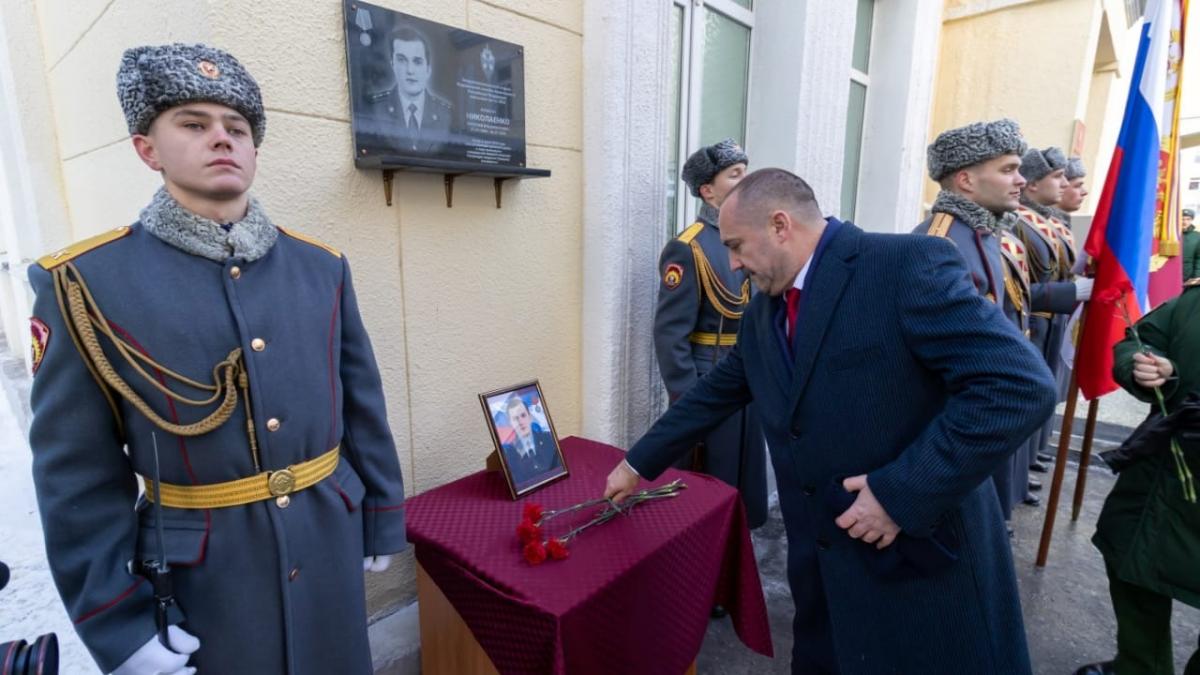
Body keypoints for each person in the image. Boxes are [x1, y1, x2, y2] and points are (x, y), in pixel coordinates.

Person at [26, 44, 406, 675]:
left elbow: (362, 403)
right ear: (147, 148)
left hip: (327, 539)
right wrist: (117, 625)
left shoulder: (321, 267)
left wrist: (382, 514)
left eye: (237, 128)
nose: (221, 140)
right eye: (194, 124)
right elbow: (76, 477)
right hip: (204, 574)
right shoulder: (86, 282)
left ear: (255, 149)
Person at [606, 168, 1056, 674]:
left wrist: (899, 492)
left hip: (917, 569)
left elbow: (1019, 386)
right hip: (824, 579)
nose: (731, 264)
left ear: (780, 226)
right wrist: (636, 464)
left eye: (735, 245)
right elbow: (713, 393)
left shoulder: (901, 265)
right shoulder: (764, 310)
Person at [1074, 285, 1200, 675]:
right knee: (1131, 561)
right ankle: (1139, 666)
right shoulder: (1194, 301)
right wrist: (1150, 366)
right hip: (1160, 471)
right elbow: (1140, 340)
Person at [916, 118, 1037, 521]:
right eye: (1008, 169)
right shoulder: (939, 242)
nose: (1021, 180)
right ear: (965, 180)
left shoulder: (981, 233)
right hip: (955, 429)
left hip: (983, 415)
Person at [653, 139, 767, 530]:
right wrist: (689, 404)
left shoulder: (753, 238)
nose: (745, 181)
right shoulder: (689, 248)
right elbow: (670, 335)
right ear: (707, 190)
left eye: (746, 172)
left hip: (746, 374)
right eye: (735, 175)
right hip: (708, 378)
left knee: (744, 483)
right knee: (708, 491)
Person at [1016, 146, 1092, 491]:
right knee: (1025, 403)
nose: (1065, 186)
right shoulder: (1018, 222)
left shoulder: (1046, 221)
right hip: (1032, 323)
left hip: (1050, 321)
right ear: (1032, 185)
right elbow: (1016, 286)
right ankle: (1015, 479)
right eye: (1058, 177)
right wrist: (1070, 294)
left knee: (1043, 400)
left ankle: (1023, 468)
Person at [357, 25, 452, 155]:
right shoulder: (376, 109)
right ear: (393, 64)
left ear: (428, 69)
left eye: (417, 62)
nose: (410, 71)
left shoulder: (445, 114)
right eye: (402, 60)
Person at [499, 395, 561, 485]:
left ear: (530, 416)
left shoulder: (547, 438)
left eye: (523, 415)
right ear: (510, 423)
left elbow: (558, 469)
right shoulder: (509, 453)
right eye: (515, 418)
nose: (520, 422)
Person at [1182, 208, 1198, 282]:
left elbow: (1198, 258)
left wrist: (1196, 276)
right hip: (1172, 274)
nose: (1185, 222)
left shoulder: (1197, 236)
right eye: (1182, 219)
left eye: (1188, 219)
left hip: (1188, 276)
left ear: (1191, 220)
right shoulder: (1171, 235)